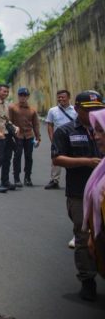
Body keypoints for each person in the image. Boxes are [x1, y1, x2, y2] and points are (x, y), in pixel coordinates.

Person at [51, 90, 104, 302]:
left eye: (98, 109)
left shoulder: (102, 129)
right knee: (83, 238)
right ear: (77, 109)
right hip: (79, 194)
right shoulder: (65, 131)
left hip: (103, 194)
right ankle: (87, 280)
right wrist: (87, 162)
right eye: (89, 110)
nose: (94, 113)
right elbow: (57, 158)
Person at [84, 108, 105, 277]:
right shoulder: (102, 167)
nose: (96, 136)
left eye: (101, 130)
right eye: (95, 131)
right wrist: (93, 234)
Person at [8, 87, 41, 187]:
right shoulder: (12, 108)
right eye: (21, 95)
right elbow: (9, 122)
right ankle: (16, 178)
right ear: (18, 96)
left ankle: (27, 178)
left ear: (28, 97)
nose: (23, 97)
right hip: (17, 136)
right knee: (17, 156)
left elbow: (36, 124)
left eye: (25, 95)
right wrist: (11, 135)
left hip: (29, 136)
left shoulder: (32, 110)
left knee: (29, 157)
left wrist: (38, 137)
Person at [44, 89, 77, 190]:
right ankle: (54, 180)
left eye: (63, 97)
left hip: (73, 138)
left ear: (69, 98)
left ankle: (75, 180)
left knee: (73, 159)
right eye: (59, 97)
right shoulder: (52, 110)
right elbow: (50, 125)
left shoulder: (75, 110)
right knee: (56, 159)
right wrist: (52, 138)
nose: (61, 99)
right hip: (58, 139)